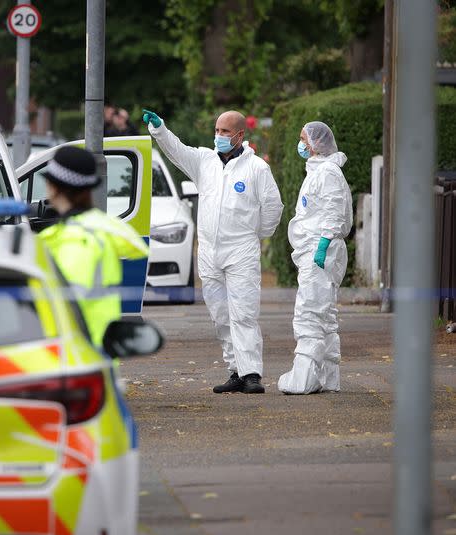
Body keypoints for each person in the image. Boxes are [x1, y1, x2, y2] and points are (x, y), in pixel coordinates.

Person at [141, 108, 283, 393]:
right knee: (220, 314)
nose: (218, 136)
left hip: (240, 250)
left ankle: (251, 373)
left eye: (225, 132)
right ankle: (235, 371)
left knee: (243, 313)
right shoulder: (205, 161)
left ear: (240, 135)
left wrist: (256, 234)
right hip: (209, 251)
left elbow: (272, 207)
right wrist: (159, 129)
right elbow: (176, 151)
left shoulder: (257, 169)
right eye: (217, 131)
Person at [38, 146, 149, 346]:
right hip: (96, 352)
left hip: (75, 354)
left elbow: (65, 303)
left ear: (55, 187)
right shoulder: (100, 228)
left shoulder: (78, 238)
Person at [278, 121, 352, 394]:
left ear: (315, 143)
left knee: (309, 312)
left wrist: (322, 244)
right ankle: (328, 377)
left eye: (303, 139)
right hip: (317, 249)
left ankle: (304, 379)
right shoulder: (319, 171)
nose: (301, 144)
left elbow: (334, 210)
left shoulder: (328, 173)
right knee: (325, 314)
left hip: (320, 251)